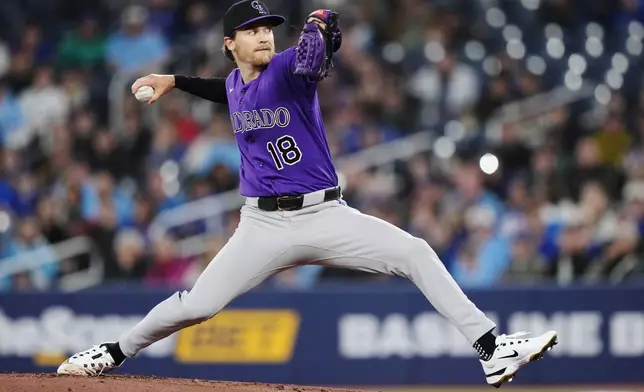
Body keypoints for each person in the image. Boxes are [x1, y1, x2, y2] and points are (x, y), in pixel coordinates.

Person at [56, 1, 558, 388]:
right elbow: (221, 88)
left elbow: (313, 59)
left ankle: (492, 349)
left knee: (415, 251)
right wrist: (175, 81)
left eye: (268, 28)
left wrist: (322, 28)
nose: (264, 36)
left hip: (325, 214)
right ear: (230, 42)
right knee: (196, 306)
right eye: (252, 31)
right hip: (262, 226)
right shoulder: (234, 84)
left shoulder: (290, 67)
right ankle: (112, 352)